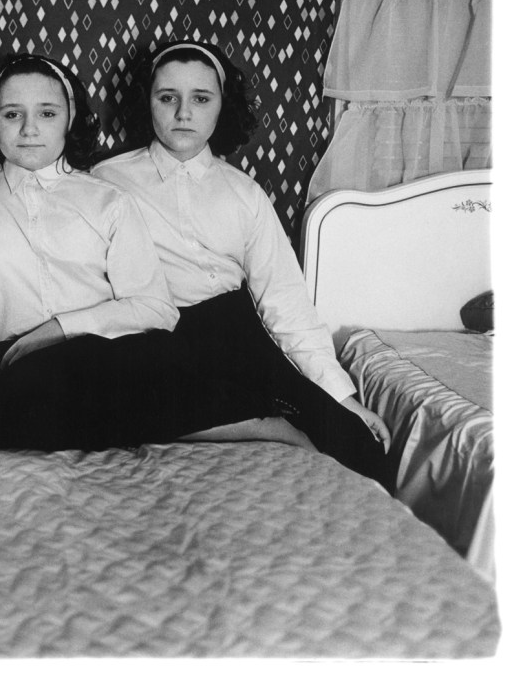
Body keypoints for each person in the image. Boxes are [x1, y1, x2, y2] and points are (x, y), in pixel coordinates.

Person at [0, 53, 305, 453]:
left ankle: (260, 420)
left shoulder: (107, 198)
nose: (30, 129)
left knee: (151, 357)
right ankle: (240, 421)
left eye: (47, 113)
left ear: (69, 118)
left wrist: (57, 329)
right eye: (12, 114)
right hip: (11, 366)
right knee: (18, 398)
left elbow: (157, 307)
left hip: (102, 355)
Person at [92, 40, 394, 488]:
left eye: (201, 98)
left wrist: (344, 398)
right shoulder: (106, 180)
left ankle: (270, 417)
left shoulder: (243, 192)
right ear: (147, 103)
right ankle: (259, 425)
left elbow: (285, 303)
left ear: (221, 107)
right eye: (167, 97)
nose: (183, 113)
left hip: (232, 337)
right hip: (151, 341)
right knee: (87, 403)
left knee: (360, 448)